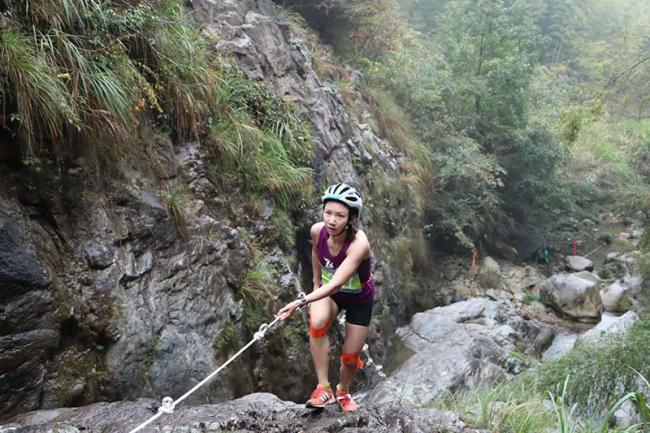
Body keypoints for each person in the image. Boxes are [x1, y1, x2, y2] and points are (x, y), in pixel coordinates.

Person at [276, 183, 375, 413]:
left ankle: (343, 392)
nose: (331, 220)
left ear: (351, 219)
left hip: (359, 298)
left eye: (339, 216)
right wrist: (315, 283)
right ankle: (323, 387)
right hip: (330, 293)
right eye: (328, 213)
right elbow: (315, 252)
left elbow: (337, 282)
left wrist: (301, 301)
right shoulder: (317, 231)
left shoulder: (359, 244)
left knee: (350, 357)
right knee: (318, 321)